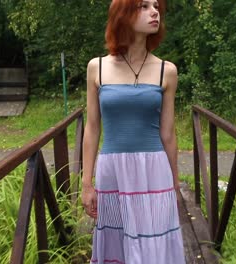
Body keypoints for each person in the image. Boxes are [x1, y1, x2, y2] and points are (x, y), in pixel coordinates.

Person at [81, 0, 185, 263]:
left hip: (154, 171)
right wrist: (86, 184)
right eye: (143, 6)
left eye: (156, 6)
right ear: (123, 15)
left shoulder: (167, 71)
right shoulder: (98, 68)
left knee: (155, 243)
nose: (154, 11)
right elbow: (92, 129)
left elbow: (168, 134)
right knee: (117, 242)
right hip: (112, 171)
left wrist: (174, 184)